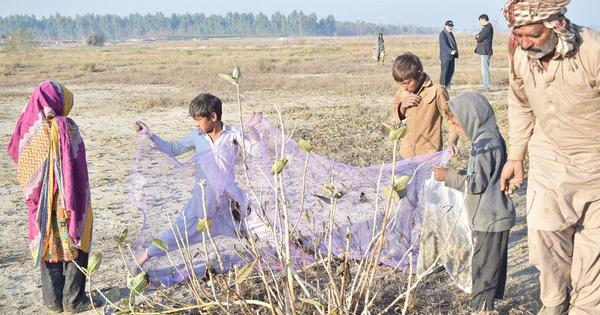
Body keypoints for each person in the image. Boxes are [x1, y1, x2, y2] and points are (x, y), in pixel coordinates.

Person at [500, 0, 600, 313]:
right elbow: (520, 104)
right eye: (519, 35)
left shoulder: (591, 51)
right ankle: (554, 303)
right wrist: (516, 158)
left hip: (595, 164)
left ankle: (585, 308)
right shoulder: (519, 55)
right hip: (547, 157)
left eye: (534, 35)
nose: (526, 43)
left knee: (593, 252)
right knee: (544, 236)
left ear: (555, 24)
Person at [134, 93, 260, 269]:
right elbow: (173, 149)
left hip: (230, 200)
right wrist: (150, 135)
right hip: (202, 201)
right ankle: (141, 261)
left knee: (254, 226)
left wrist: (252, 130)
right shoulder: (196, 136)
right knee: (178, 232)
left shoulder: (233, 135)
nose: (196, 124)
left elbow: (257, 151)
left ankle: (267, 256)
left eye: (199, 120)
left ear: (213, 117)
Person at [7, 81, 94, 313]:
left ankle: (52, 301)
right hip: (67, 200)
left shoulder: (27, 127)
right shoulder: (65, 127)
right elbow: (75, 166)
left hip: (39, 205)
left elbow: (19, 158)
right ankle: (74, 300)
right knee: (75, 241)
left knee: (49, 245)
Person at [432, 92, 515, 314]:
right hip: (492, 216)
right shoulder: (488, 137)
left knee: (483, 270)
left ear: (471, 117)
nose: (455, 126)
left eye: (456, 121)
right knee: (488, 267)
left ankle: (483, 310)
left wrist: (448, 177)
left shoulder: (485, 144)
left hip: (491, 218)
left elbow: (476, 184)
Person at [391, 52, 459, 159]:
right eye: (400, 84)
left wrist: (452, 142)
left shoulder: (437, 91)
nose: (404, 87)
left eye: (407, 83)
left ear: (419, 74)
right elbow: (395, 121)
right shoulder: (402, 92)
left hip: (429, 156)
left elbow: (453, 121)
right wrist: (402, 107)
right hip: (406, 154)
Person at [475, 14, 494, 91]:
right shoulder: (486, 27)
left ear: (483, 19)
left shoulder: (487, 28)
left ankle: (486, 87)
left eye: (480, 21)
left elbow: (479, 38)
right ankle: (485, 85)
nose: (480, 22)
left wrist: (477, 36)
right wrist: (477, 36)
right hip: (485, 51)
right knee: (484, 69)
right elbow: (478, 36)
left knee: (485, 69)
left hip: (485, 51)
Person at [439, 20, 459, 90]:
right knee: (444, 72)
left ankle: (447, 86)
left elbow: (453, 44)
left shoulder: (450, 34)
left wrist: (455, 52)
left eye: (451, 26)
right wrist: (451, 51)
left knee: (451, 71)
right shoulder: (442, 34)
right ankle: (441, 87)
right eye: (449, 26)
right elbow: (444, 45)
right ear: (445, 26)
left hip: (452, 56)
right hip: (445, 57)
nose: (451, 27)